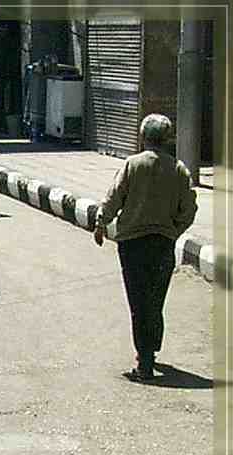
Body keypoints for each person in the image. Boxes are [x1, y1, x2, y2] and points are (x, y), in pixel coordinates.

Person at [94, 114, 197, 382]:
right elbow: (189, 210)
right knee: (155, 299)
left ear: (143, 137)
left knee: (139, 302)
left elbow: (114, 197)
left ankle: (145, 363)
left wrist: (101, 222)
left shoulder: (132, 164)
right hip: (163, 244)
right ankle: (150, 350)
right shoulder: (179, 169)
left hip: (133, 245)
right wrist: (173, 231)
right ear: (167, 139)